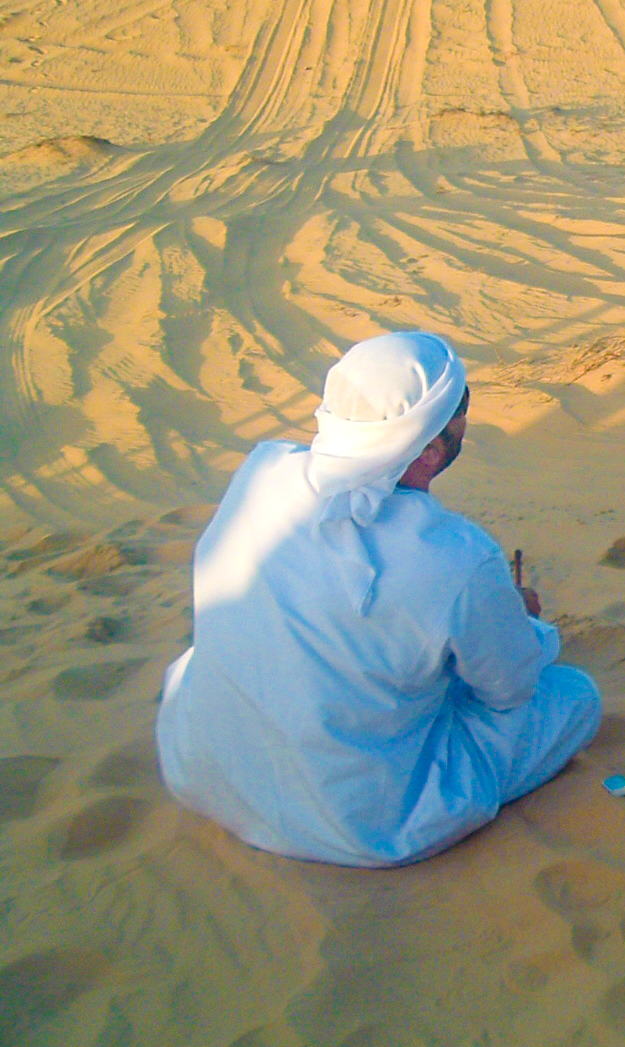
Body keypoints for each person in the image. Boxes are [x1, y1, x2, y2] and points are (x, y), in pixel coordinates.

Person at [156, 332, 601, 868]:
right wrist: (521, 621)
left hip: (202, 774)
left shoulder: (264, 469)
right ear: (432, 448)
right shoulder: (457, 556)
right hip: (356, 824)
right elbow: (509, 691)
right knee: (575, 696)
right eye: (462, 409)